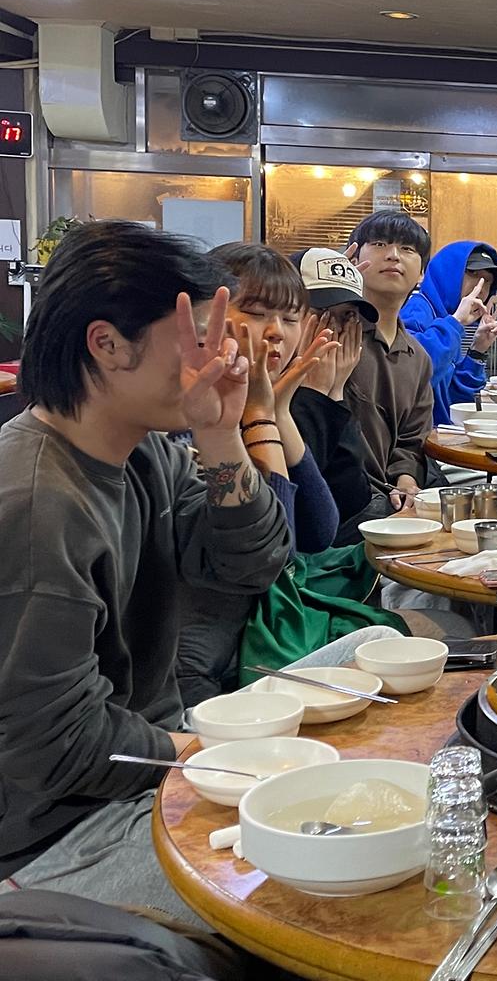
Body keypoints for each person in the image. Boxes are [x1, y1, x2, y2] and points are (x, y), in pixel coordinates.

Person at [0, 221, 290, 916]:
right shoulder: (38, 502)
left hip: (155, 763)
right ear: (107, 345)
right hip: (61, 835)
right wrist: (207, 755)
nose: (222, 355)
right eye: (198, 337)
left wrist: (219, 432)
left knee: (377, 653)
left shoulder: (146, 450)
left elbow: (252, 564)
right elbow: (54, 745)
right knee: (306, 874)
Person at [177, 243, 340, 705]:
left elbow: (319, 531)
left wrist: (278, 412)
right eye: (255, 313)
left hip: (257, 632)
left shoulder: (256, 398)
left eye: (290, 318)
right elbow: (275, 559)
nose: (276, 333)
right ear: (206, 317)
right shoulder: (190, 417)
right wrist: (260, 416)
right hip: (212, 667)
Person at [342, 211, 436, 512]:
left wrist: (406, 479)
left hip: (389, 496)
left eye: (407, 249)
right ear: (354, 258)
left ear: (421, 273)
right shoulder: (330, 332)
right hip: (342, 497)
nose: (393, 255)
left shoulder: (417, 357)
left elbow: (411, 440)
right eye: (380, 244)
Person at [292, 246, 376, 543]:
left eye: (346, 317)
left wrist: (335, 392)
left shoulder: (343, 380)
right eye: (321, 314)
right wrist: (314, 393)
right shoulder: (264, 386)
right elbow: (300, 511)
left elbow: (352, 499)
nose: (334, 330)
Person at [401, 240, 497, 426]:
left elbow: (455, 401)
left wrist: (477, 351)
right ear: (448, 273)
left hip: (441, 434)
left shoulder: (446, 318)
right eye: (473, 274)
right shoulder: (417, 311)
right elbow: (411, 378)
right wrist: (455, 323)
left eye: (488, 280)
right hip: (417, 439)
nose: (481, 286)